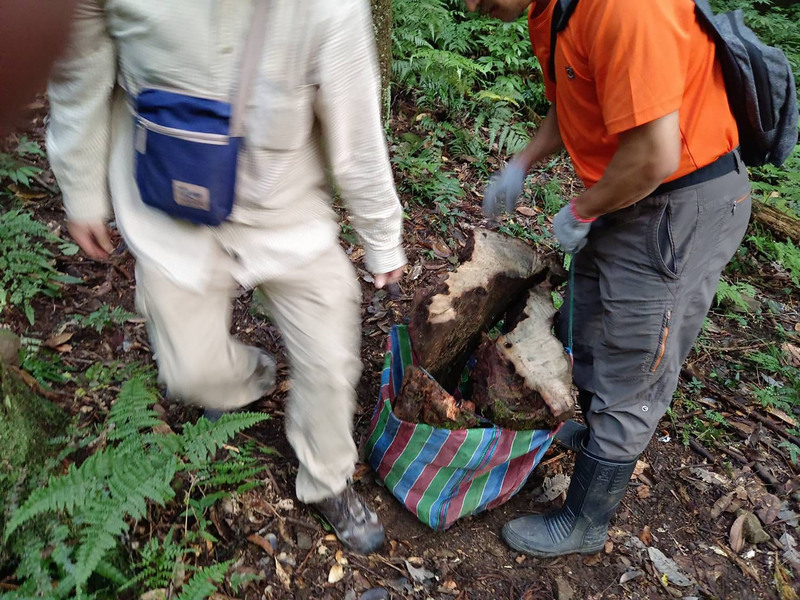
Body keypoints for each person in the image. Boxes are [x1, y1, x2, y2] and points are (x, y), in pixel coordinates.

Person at [47, 0, 406, 554]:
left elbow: (357, 129)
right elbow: (79, 75)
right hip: (170, 211)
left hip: (285, 208)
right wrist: (82, 191)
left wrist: (381, 237)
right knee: (191, 375)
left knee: (332, 360)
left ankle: (328, 479)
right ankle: (248, 377)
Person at [465, 0, 750, 557]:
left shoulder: (623, 10)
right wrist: (522, 162)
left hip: (677, 204)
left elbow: (654, 155)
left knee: (632, 357)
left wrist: (584, 209)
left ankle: (585, 521)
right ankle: (594, 434)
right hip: (625, 192)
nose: (473, 6)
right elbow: (571, 105)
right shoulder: (550, 10)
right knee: (588, 323)